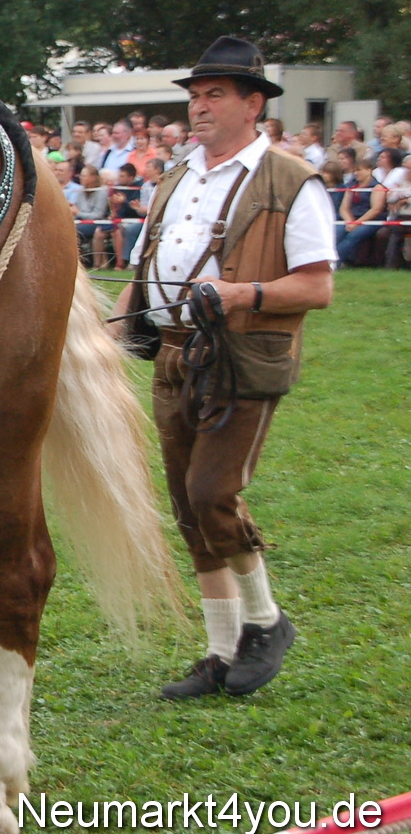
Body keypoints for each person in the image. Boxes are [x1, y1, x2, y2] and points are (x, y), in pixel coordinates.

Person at [115, 36, 335, 700]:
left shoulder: (291, 180)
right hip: (174, 355)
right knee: (187, 506)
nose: (199, 106)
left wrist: (243, 295)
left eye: (214, 94)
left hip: (239, 356)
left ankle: (266, 621)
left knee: (213, 491)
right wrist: (122, 328)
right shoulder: (177, 176)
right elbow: (143, 267)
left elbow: (318, 286)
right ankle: (219, 651)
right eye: (195, 95)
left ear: (253, 103)